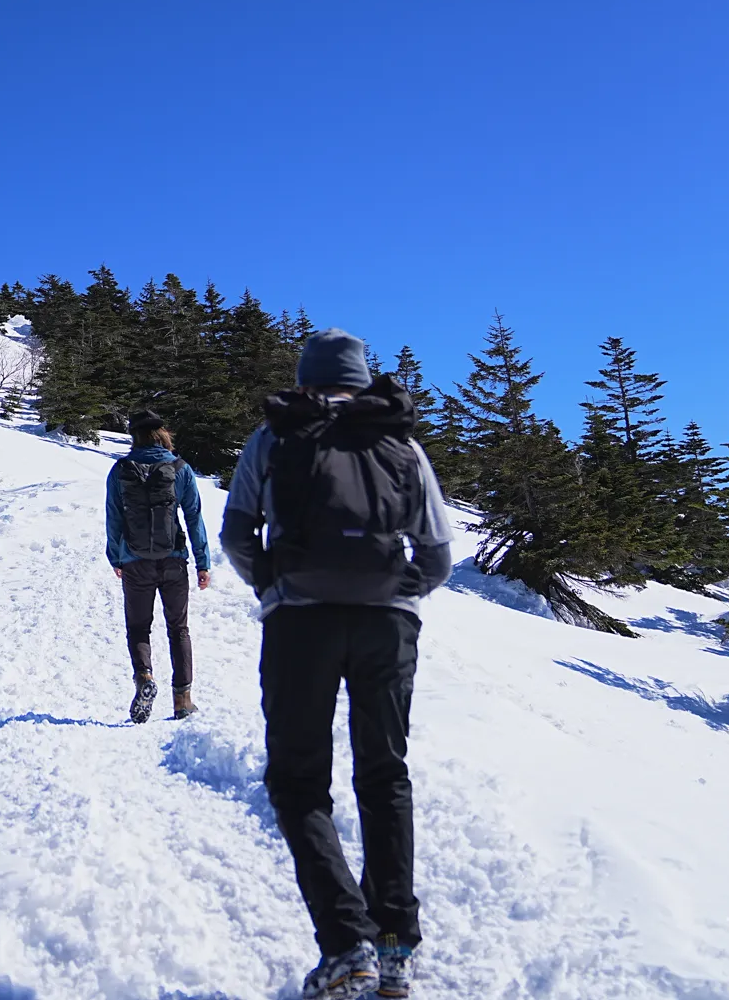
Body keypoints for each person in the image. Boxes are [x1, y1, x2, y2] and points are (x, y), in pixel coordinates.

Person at [219, 329, 454, 1000]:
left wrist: (276, 586)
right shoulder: (399, 442)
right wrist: (397, 595)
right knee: (384, 776)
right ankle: (394, 949)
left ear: (306, 376)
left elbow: (237, 532)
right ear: (361, 376)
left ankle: (345, 941)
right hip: (387, 628)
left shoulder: (276, 436)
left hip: (300, 624)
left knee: (299, 782)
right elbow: (436, 553)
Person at [105, 409, 213, 724]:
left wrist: (116, 557)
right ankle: (182, 700)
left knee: (138, 628)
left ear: (134, 436)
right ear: (162, 433)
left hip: (135, 561)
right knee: (178, 629)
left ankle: (145, 679)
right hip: (173, 561)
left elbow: (114, 518)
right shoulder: (180, 469)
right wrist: (203, 562)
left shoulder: (120, 470)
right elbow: (193, 516)